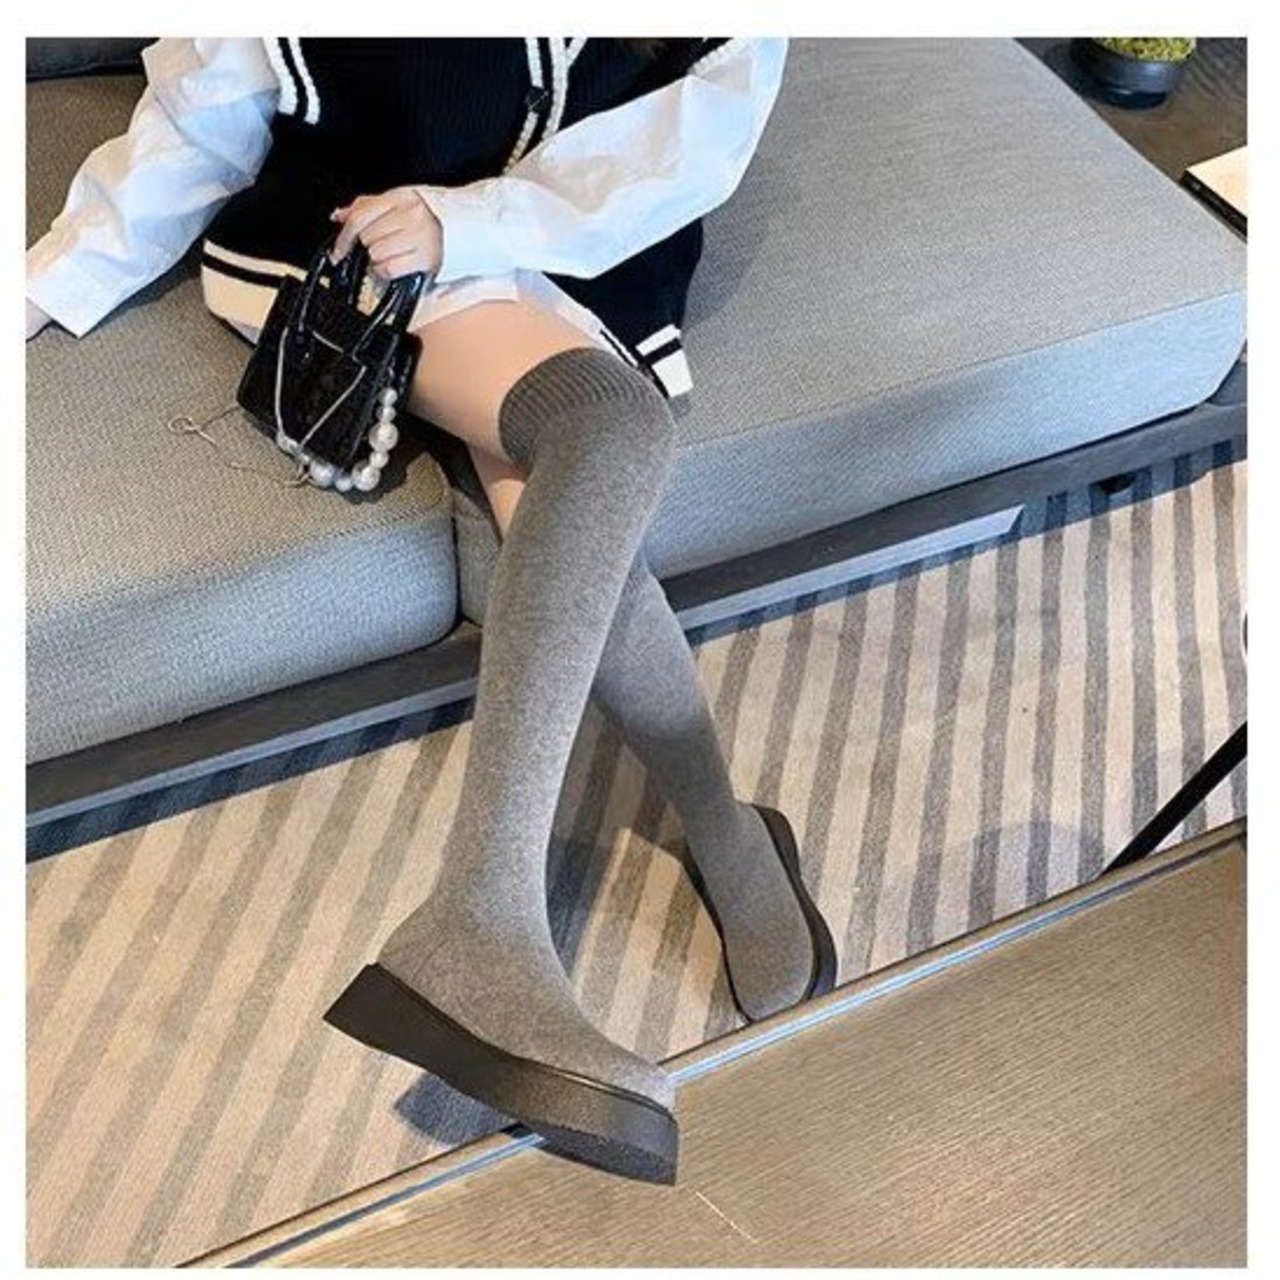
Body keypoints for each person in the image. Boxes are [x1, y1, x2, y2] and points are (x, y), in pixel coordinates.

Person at [26, 36, 836, 1183]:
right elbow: (207, 103)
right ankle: (498, 907)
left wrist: (481, 222)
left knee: (561, 500)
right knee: (603, 430)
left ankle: (709, 826)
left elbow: (702, 130)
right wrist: (51, 279)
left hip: (577, 249)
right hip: (360, 246)